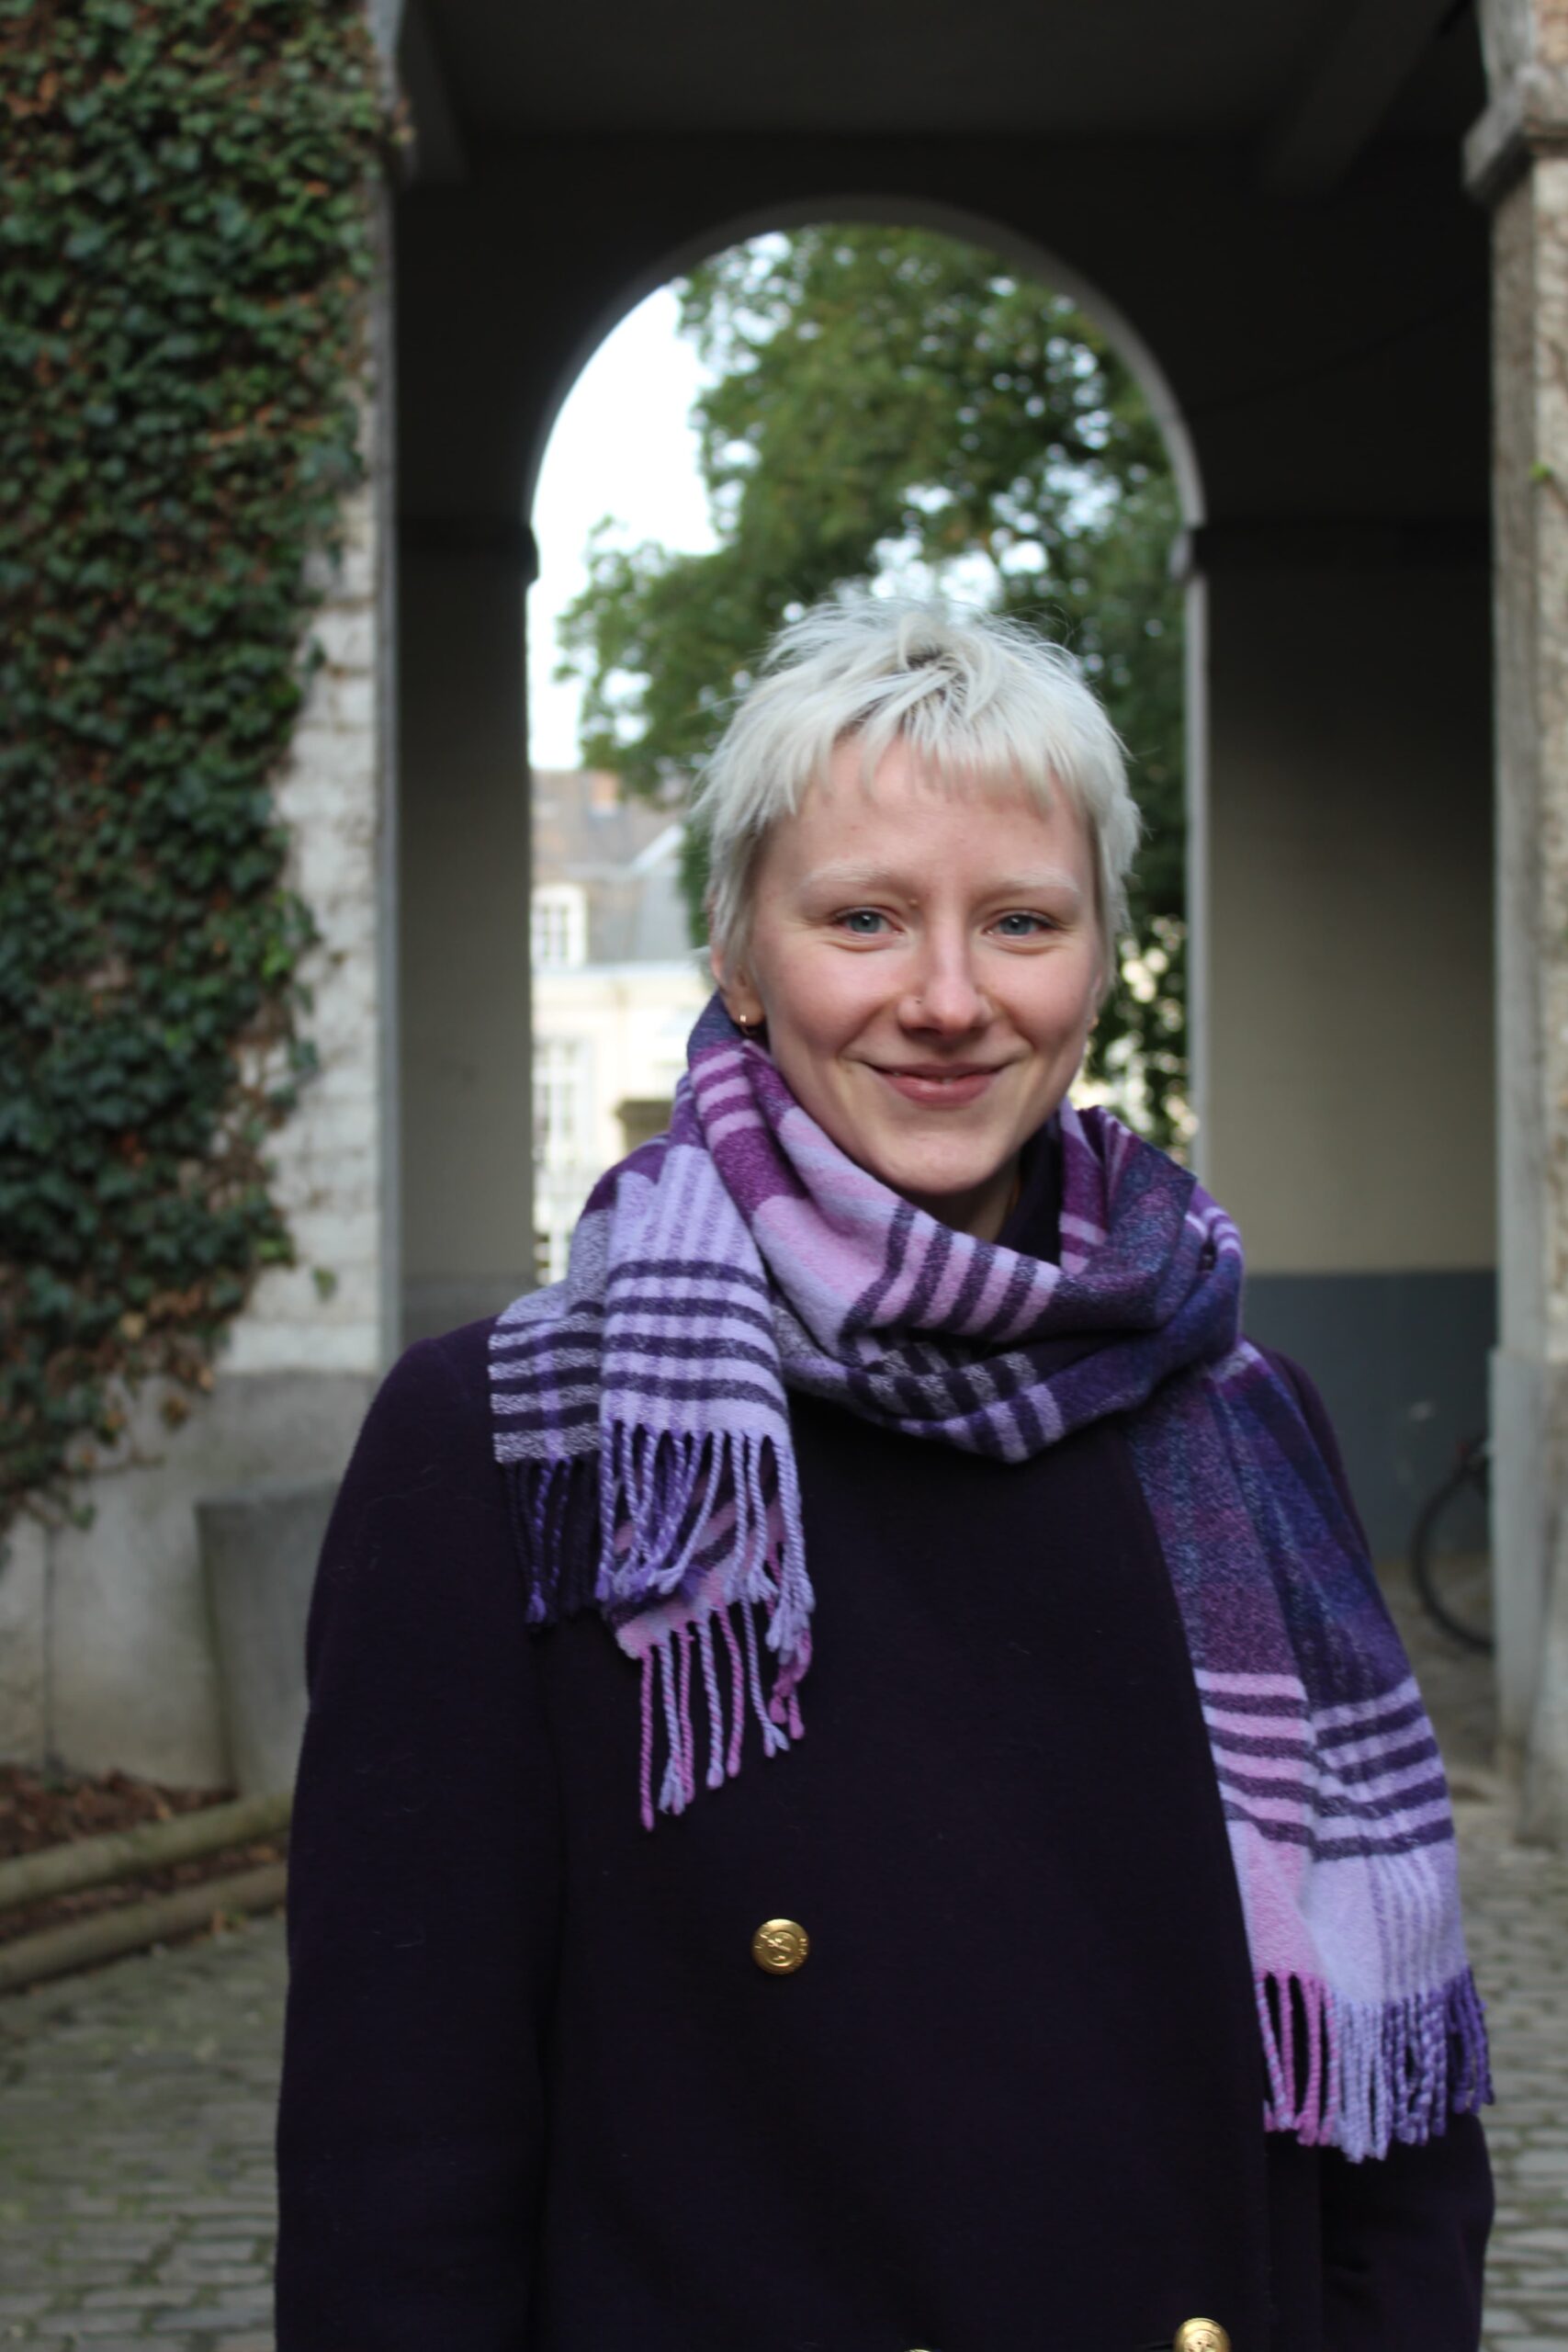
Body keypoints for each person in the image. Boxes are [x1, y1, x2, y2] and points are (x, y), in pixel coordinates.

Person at [275, 598, 1494, 2352]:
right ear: (742, 962)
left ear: (1094, 960)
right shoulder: (516, 1441)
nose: (947, 1000)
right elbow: (403, 2162)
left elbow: (1399, 2162)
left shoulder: (1244, 1416)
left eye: (1021, 922)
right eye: (864, 918)